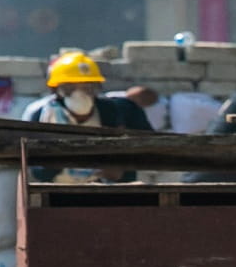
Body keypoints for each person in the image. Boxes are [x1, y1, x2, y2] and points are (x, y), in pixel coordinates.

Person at [24, 51, 153, 183]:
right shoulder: (43, 115)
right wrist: (58, 161)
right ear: (55, 90)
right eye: (70, 87)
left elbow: (146, 147)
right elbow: (37, 170)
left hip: (104, 190)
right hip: (57, 192)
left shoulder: (113, 111)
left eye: (87, 87)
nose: (79, 93)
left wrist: (121, 167)